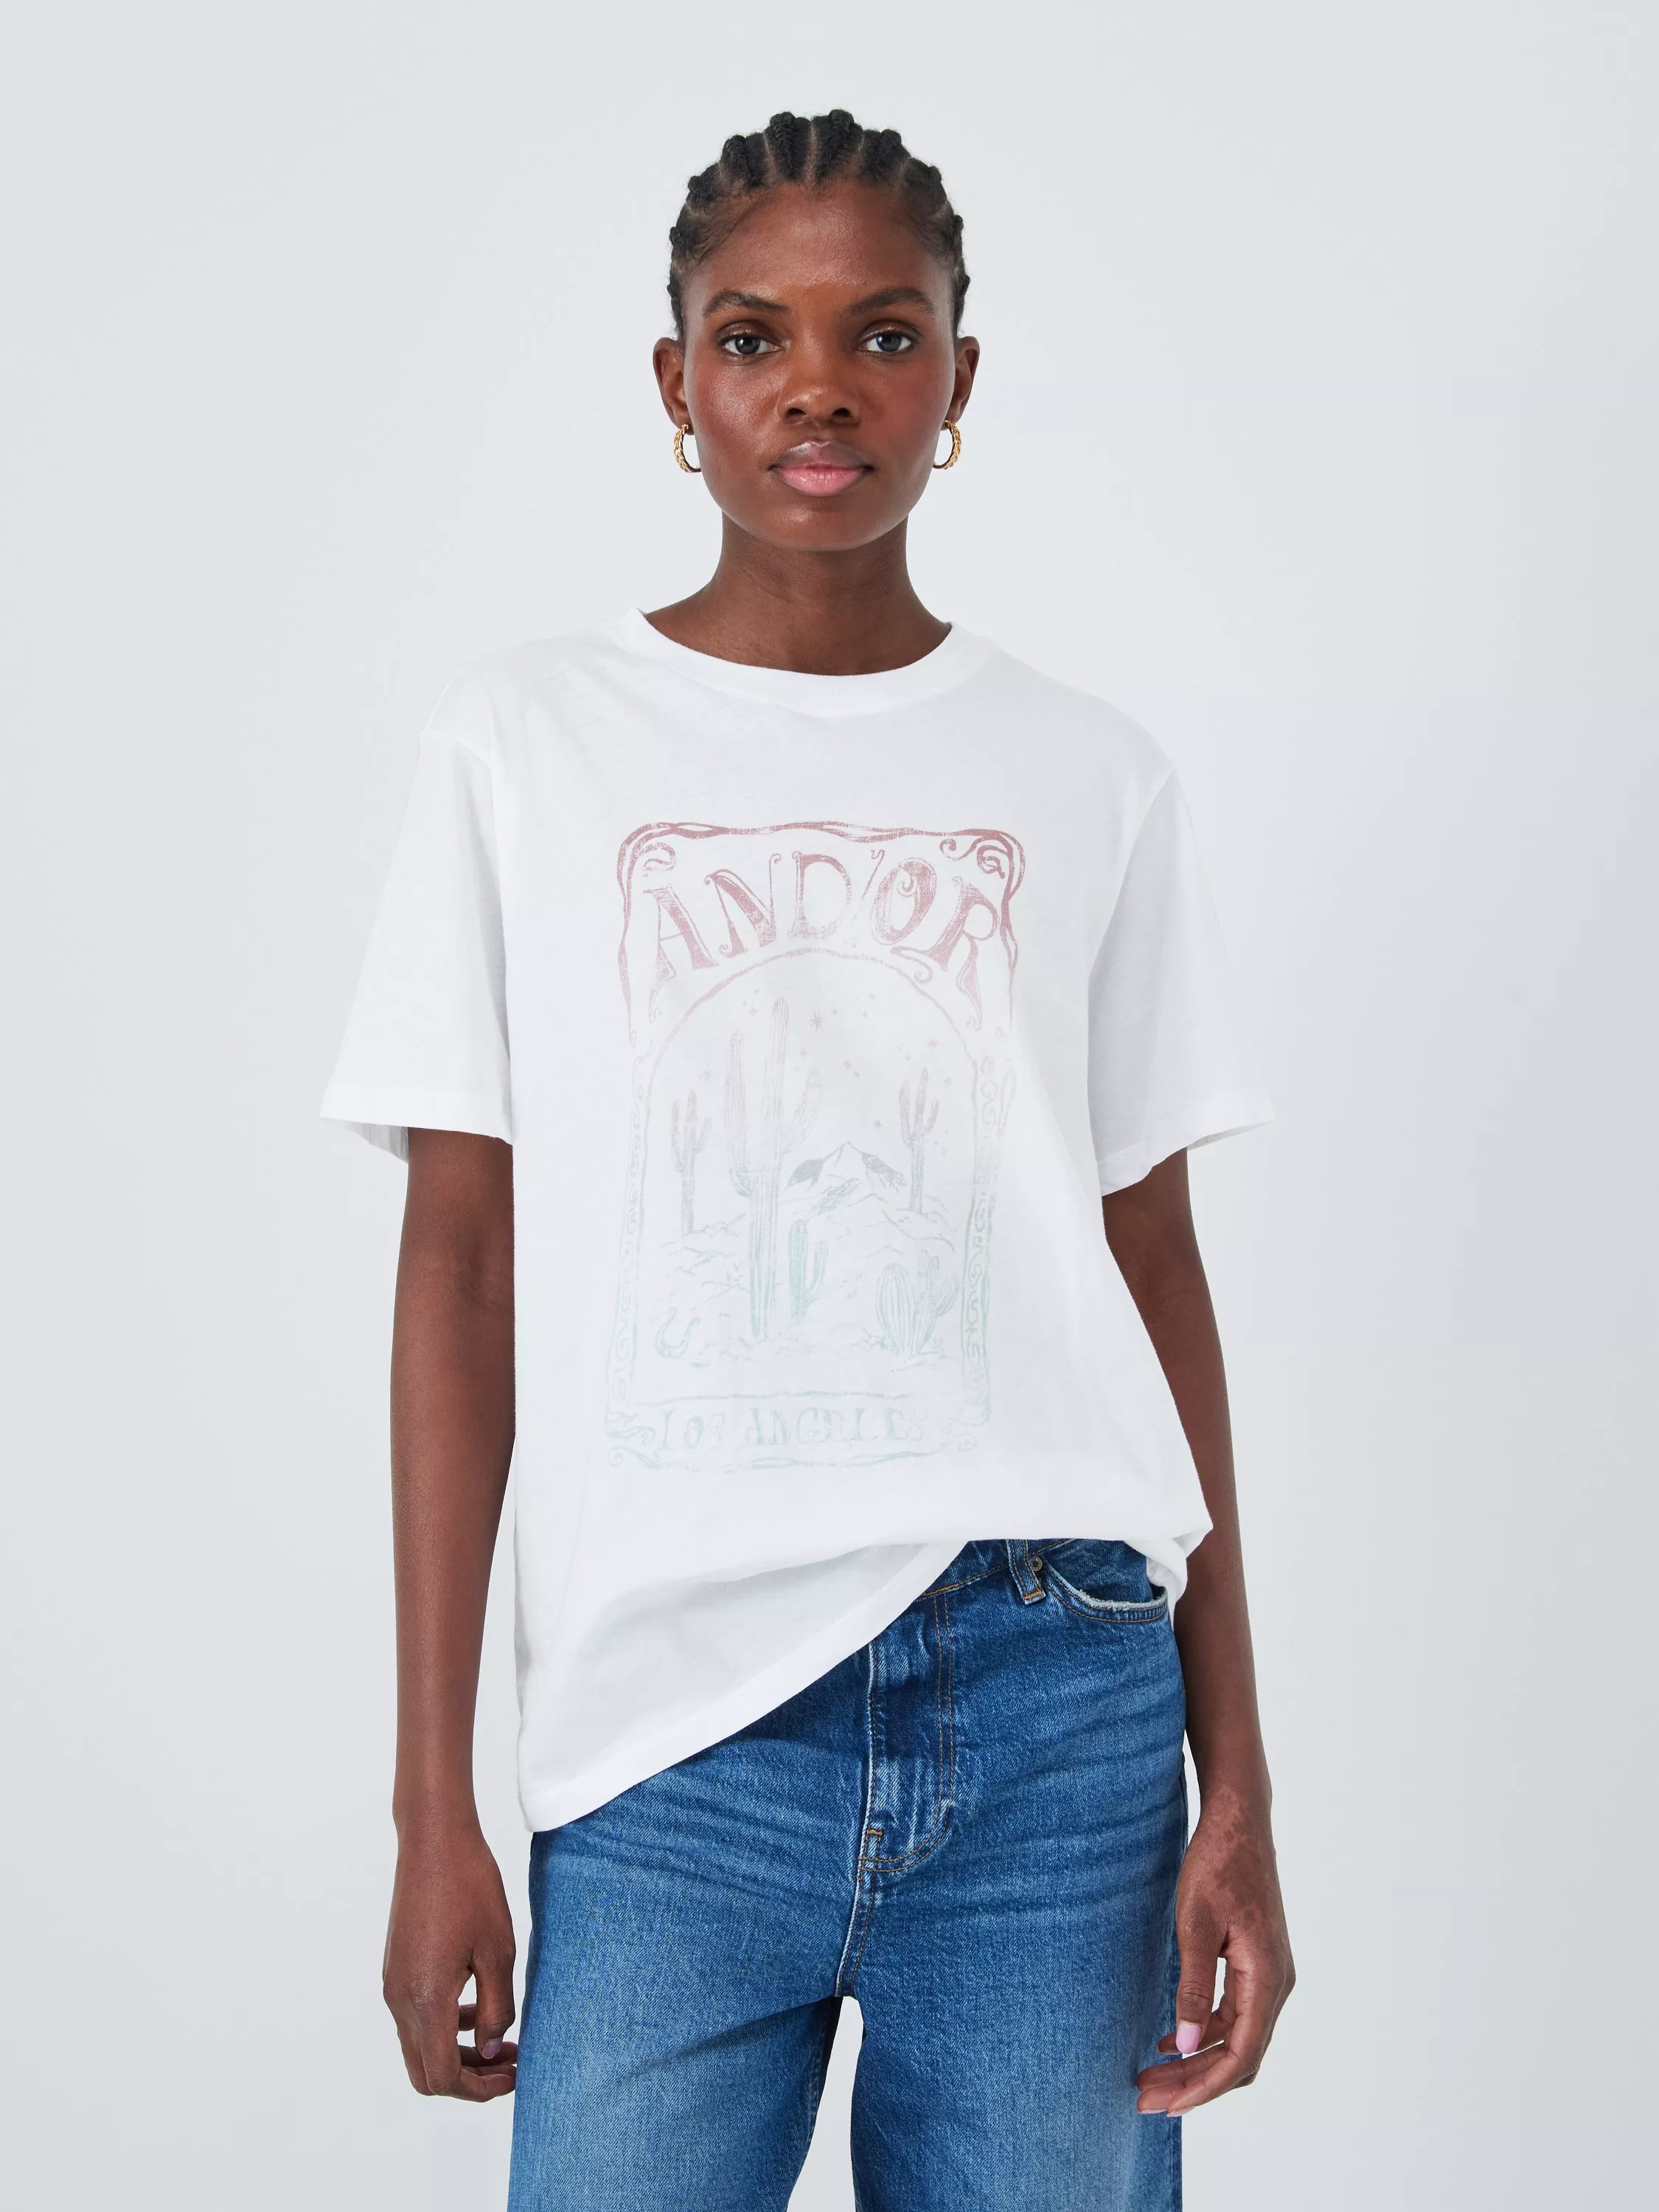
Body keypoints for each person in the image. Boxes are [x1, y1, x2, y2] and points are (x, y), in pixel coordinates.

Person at [323, 108, 1294, 2212]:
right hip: (667, 1731)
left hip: (1056, 1697)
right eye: (754, 336)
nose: (820, 389)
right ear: (677, 381)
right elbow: (458, 1270)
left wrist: (1239, 1786)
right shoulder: (524, 743)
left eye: (885, 334)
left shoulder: (1091, 772)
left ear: (961, 375)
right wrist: (430, 1804)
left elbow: (1152, 1270)